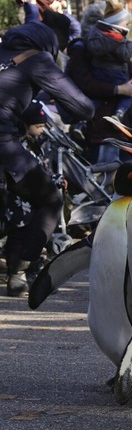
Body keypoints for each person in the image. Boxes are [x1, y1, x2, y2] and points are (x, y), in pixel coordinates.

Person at [0, 16, 94, 296]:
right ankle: (19, 271)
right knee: (50, 198)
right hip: (4, 145)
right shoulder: (37, 59)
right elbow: (82, 108)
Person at [65, 3, 132, 164]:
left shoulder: (118, 47)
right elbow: (84, 83)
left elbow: (130, 67)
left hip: (123, 127)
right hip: (100, 127)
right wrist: (119, 89)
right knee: (105, 178)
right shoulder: (82, 49)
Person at [85, 0, 132, 121]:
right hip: (116, 75)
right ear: (117, 24)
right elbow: (125, 57)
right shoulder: (118, 40)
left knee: (96, 99)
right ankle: (119, 114)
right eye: (126, 24)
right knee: (129, 95)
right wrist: (129, 44)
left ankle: (83, 121)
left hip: (98, 72)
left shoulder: (93, 37)